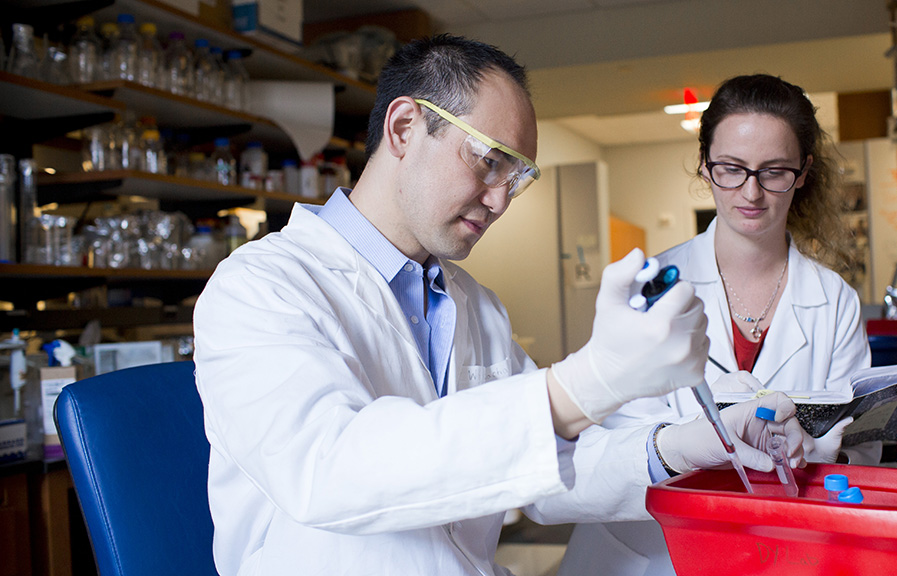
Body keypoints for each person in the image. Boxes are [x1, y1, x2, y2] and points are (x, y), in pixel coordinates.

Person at [193, 38, 806, 576]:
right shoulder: (261, 287)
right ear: (405, 128)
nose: (499, 199)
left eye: (516, 178)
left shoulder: (475, 307)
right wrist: (587, 382)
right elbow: (328, 469)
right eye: (489, 161)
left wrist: (680, 446)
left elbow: (545, 472)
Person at [556, 74, 871, 576]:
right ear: (706, 166)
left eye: (774, 171)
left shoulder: (833, 301)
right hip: (646, 554)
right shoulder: (652, 286)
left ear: (803, 172)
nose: (752, 191)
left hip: (776, 550)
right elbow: (609, 450)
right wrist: (694, 437)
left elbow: (855, 445)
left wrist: (810, 448)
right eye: (732, 169)